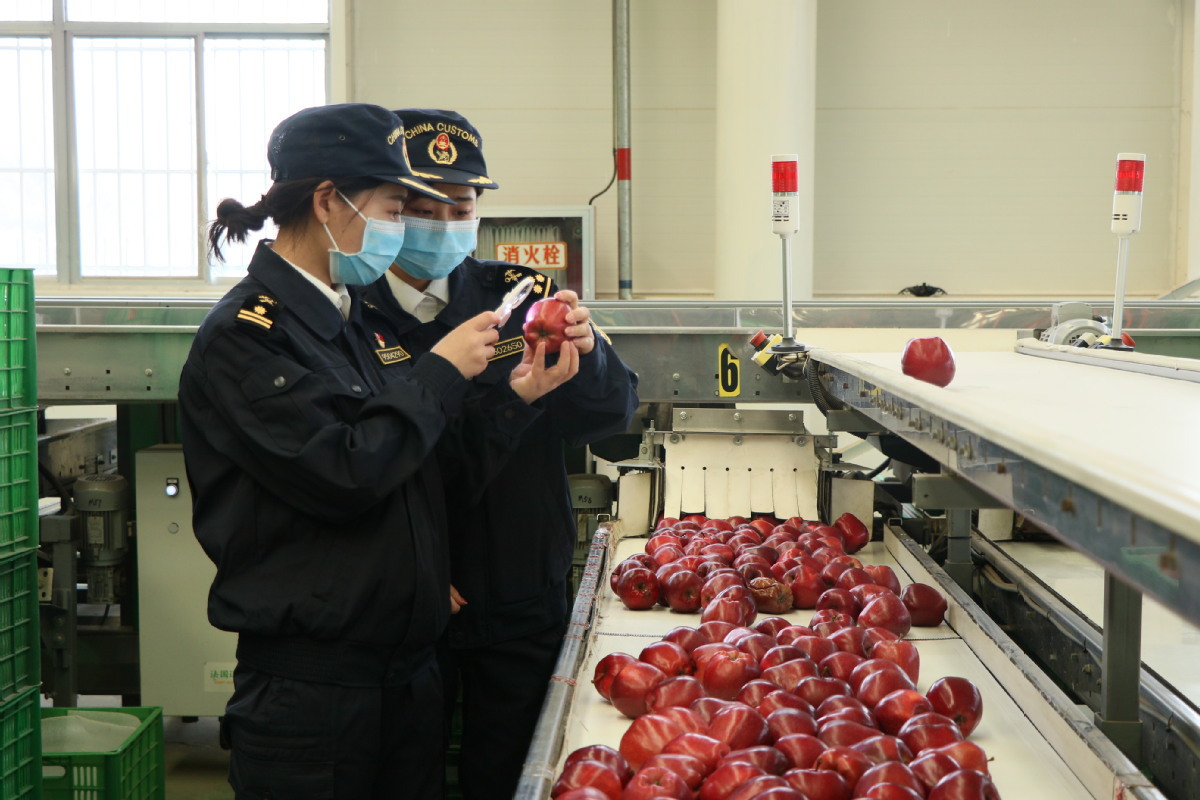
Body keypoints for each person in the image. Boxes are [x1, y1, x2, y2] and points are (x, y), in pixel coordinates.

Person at [178, 102, 579, 800]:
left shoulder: (351, 321)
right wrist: (440, 372)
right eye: (396, 208)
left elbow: (420, 469)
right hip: (316, 692)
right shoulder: (249, 337)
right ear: (328, 201)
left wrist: (516, 398)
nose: (404, 230)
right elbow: (346, 470)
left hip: (405, 676)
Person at [361, 108, 640, 800]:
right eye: (422, 210)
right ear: (389, 209)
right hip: (409, 600)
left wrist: (591, 356)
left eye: (459, 208)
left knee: (515, 771)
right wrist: (418, 567)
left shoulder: (521, 298)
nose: (443, 224)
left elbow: (611, 419)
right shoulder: (352, 314)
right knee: (404, 774)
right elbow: (364, 462)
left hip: (519, 589)